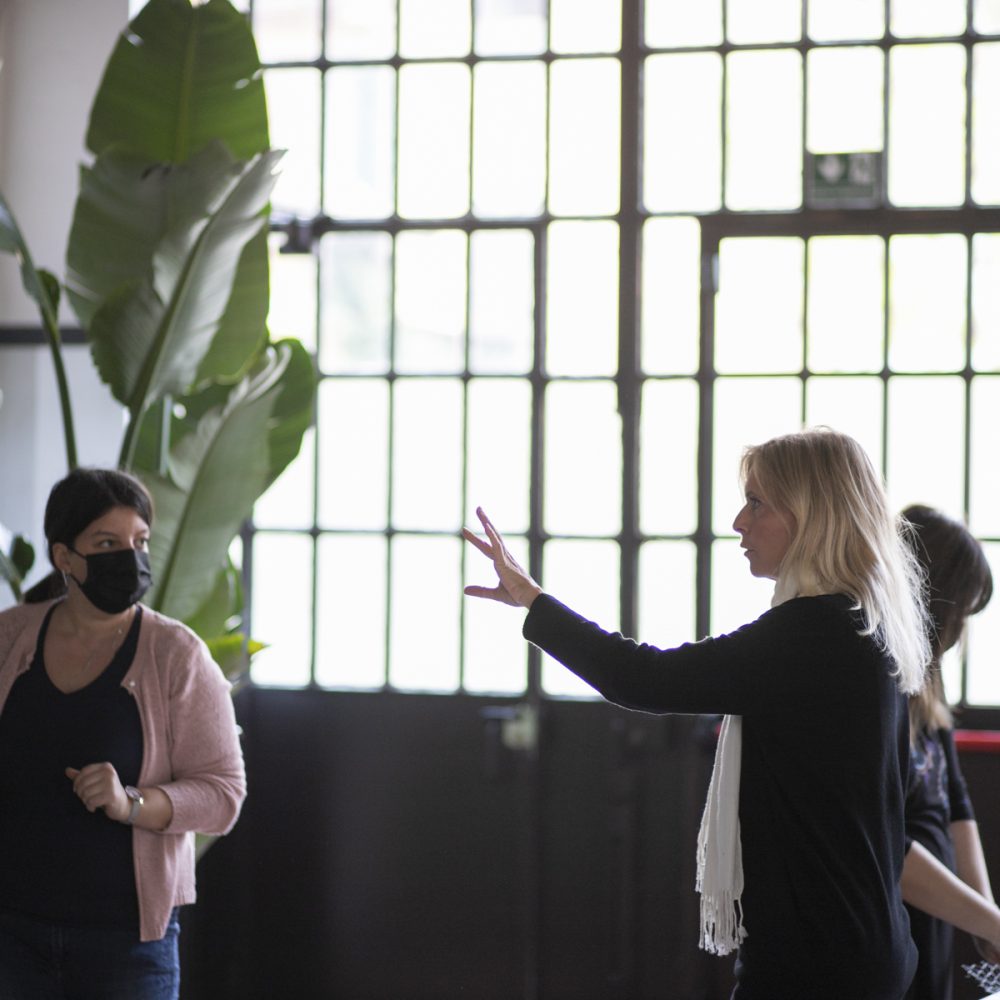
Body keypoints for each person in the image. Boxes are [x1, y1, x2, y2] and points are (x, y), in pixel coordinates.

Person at [463, 427, 1000, 999]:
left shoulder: (812, 633)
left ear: (809, 515)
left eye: (756, 502)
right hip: (864, 947)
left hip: (819, 960)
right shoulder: (866, 627)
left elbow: (641, 676)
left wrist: (533, 601)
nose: (739, 522)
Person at [0, 467, 247, 1000]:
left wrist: (131, 802)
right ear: (64, 557)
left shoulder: (176, 655)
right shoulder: (10, 636)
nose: (130, 558)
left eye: (139, 542)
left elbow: (223, 794)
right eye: (107, 543)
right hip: (11, 937)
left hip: (127, 948)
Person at [897, 504, 997, 1000]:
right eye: (963, 612)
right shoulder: (876, 688)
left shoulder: (925, 686)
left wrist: (985, 918)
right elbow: (886, 843)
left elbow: (955, 802)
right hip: (895, 918)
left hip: (938, 915)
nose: (961, 634)